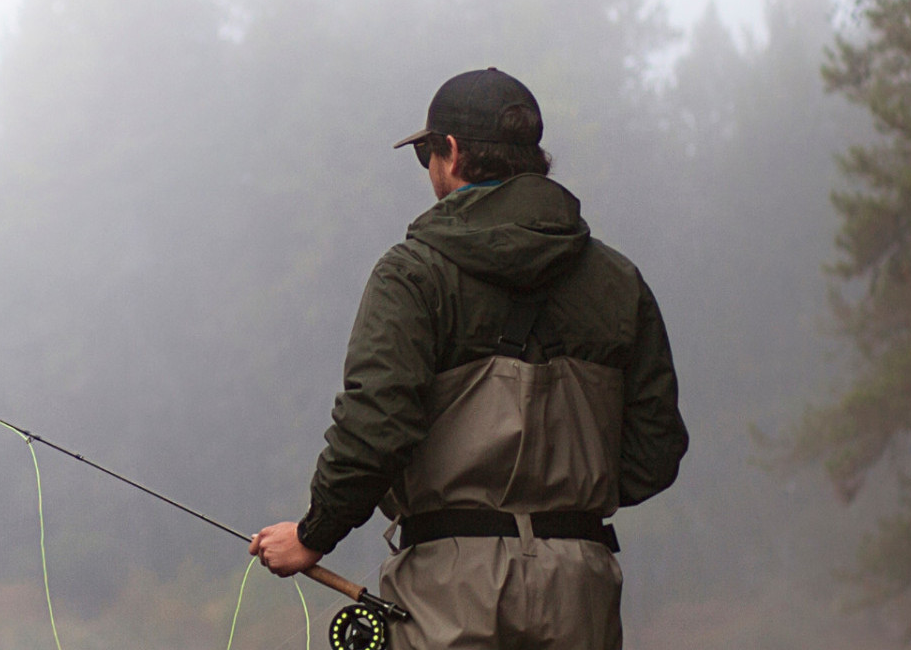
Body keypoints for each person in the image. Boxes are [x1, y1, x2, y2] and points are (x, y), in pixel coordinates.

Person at [249, 67, 686, 650]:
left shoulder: (412, 273)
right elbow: (655, 452)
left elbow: (377, 422)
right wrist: (564, 509)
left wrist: (313, 534)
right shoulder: (618, 281)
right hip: (582, 585)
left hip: (449, 591)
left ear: (450, 153)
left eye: (427, 153)